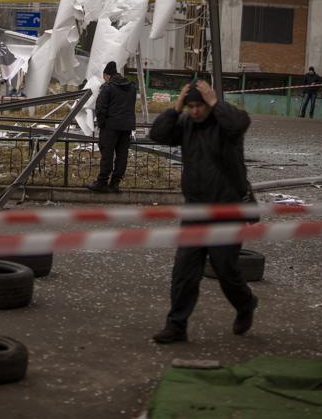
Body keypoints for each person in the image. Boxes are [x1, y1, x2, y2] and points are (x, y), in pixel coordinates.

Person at [147, 80, 258, 344]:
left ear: (208, 103)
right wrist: (175, 109)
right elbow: (158, 135)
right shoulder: (185, 123)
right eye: (191, 106)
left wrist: (215, 103)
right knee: (184, 271)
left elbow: (240, 124)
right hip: (195, 209)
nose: (195, 112)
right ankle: (176, 325)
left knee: (225, 270)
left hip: (226, 210)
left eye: (199, 106)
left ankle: (246, 304)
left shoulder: (226, 124)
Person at [87, 61, 137, 193]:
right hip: (126, 127)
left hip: (110, 127)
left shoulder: (108, 87)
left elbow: (100, 108)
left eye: (104, 77)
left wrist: (102, 124)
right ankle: (115, 183)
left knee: (107, 155)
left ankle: (102, 182)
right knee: (122, 155)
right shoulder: (131, 87)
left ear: (107, 75)